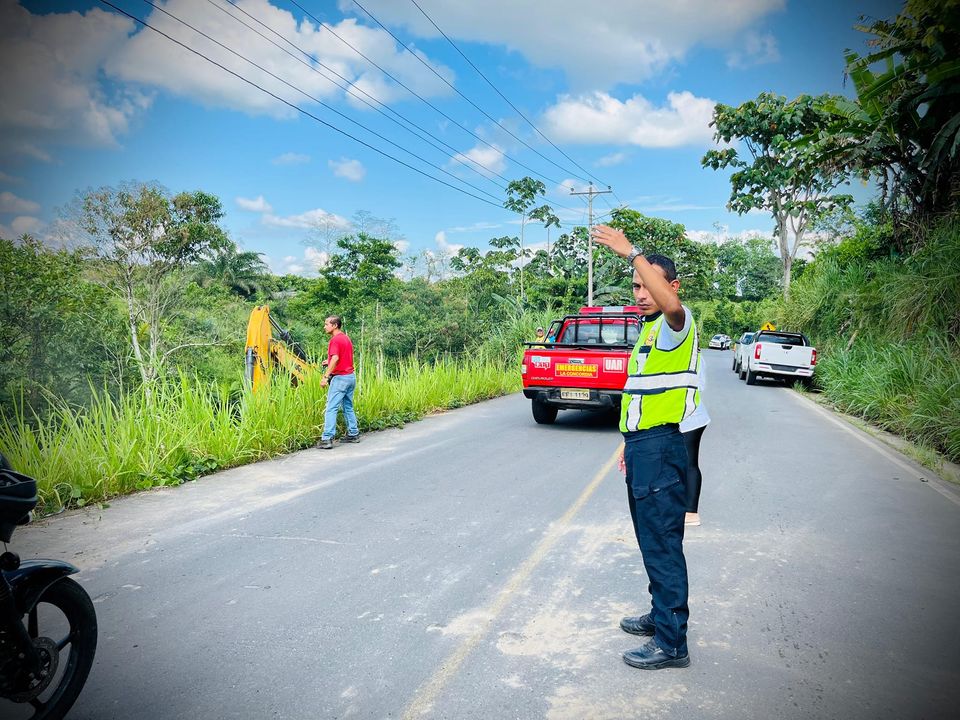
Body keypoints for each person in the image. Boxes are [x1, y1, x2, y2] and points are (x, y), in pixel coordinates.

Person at [592, 224, 699, 671]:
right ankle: (661, 616)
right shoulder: (650, 332)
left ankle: (672, 644)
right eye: (635, 286)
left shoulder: (677, 323)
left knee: (662, 543)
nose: (640, 293)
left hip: (660, 448)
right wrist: (628, 440)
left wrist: (630, 251)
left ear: (672, 286)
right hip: (643, 446)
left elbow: (672, 306)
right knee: (650, 538)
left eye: (648, 284)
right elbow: (644, 394)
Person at [316, 315, 360, 450]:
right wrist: (328, 361)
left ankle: (327, 438)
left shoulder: (334, 340)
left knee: (331, 407)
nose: (324, 327)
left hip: (340, 378)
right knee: (348, 406)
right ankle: (353, 434)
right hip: (350, 377)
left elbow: (335, 358)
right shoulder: (346, 338)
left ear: (335, 325)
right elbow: (342, 357)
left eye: (327, 324)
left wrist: (325, 377)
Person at [680, 355, 710, 526]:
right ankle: (687, 510)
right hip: (694, 415)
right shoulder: (697, 356)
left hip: (689, 418)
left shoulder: (686, 356)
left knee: (689, 463)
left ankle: (691, 512)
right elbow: (702, 385)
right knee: (688, 463)